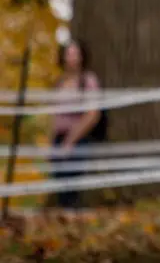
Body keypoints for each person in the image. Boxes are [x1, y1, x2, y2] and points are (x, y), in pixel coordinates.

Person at [49, 39, 103, 209]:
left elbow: (92, 114)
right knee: (60, 184)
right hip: (58, 139)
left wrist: (70, 141)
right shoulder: (59, 82)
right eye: (68, 53)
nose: (71, 58)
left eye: (75, 54)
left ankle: (73, 218)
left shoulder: (88, 81)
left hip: (78, 139)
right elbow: (55, 115)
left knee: (71, 185)